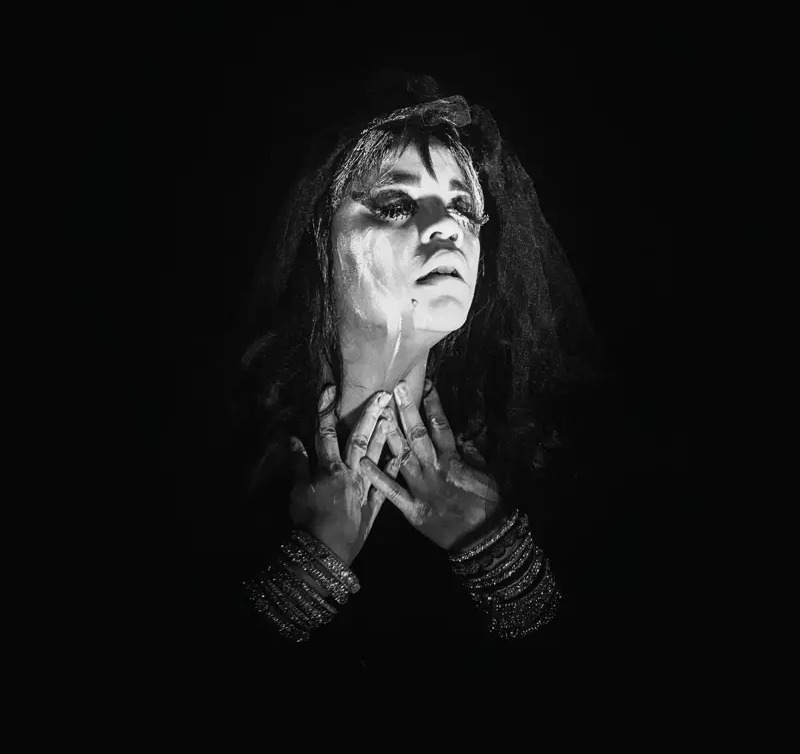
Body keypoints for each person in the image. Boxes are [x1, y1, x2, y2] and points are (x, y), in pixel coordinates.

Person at [194, 70, 625, 689]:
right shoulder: (227, 453)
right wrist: (310, 566)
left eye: (463, 207)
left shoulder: (523, 455)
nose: (448, 227)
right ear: (318, 241)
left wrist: (492, 547)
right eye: (396, 205)